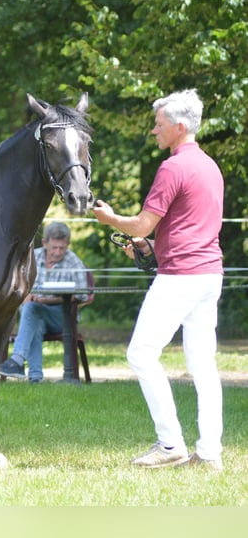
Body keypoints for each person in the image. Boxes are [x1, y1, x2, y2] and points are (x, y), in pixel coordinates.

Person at [93, 89, 224, 471]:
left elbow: (141, 222)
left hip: (180, 276)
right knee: (204, 366)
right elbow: (189, 226)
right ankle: (209, 453)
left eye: (159, 124)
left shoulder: (173, 167)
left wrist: (112, 219)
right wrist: (150, 246)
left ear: (179, 127)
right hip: (208, 273)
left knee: (140, 353)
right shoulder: (210, 166)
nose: (154, 130)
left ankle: (170, 445)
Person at [0, 221, 88, 383]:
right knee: (34, 317)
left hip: (62, 317)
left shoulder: (73, 261)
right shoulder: (32, 257)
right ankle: (35, 378)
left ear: (67, 244)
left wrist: (48, 300)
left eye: (62, 248)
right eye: (54, 247)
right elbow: (15, 284)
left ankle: (17, 360)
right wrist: (24, 295)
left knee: (33, 309)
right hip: (35, 314)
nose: (58, 252)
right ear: (45, 243)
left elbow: (83, 294)